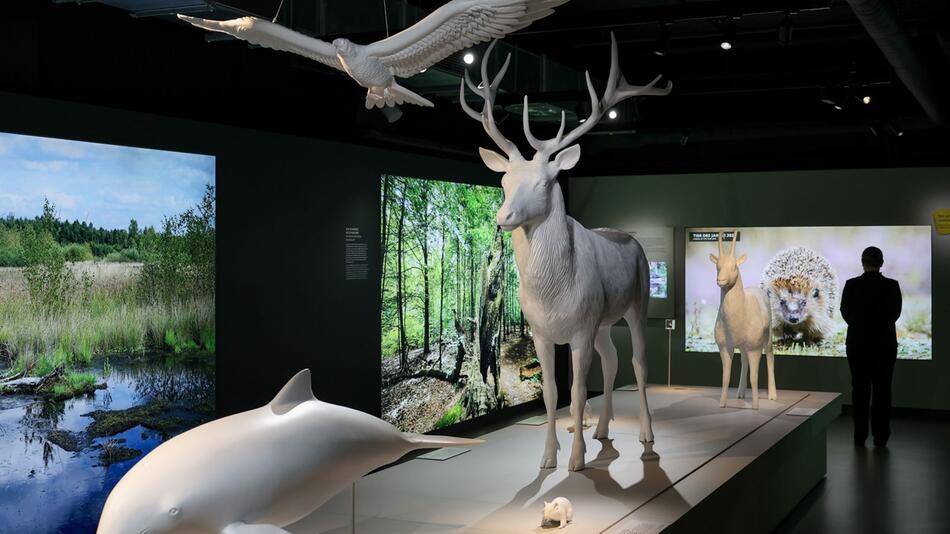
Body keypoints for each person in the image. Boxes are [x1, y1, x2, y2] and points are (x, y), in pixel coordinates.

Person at [840, 246, 902, 447]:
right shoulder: (892, 286)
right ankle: (881, 437)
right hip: (885, 345)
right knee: (883, 391)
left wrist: (860, 326)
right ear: (881, 263)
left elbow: (845, 312)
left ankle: (859, 436)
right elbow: (896, 313)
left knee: (859, 390)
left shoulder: (851, 285)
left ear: (862, 262)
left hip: (858, 345)